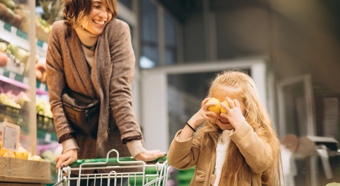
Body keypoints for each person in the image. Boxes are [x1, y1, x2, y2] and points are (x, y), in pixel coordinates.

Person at [46, 0, 164, 175]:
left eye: (109, 9)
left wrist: (137, 148)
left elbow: (120, 92)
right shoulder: (60, 32)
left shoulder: (117, 31)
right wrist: (69, 145)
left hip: (115, 150)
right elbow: (56, 98)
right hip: (80, 148)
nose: (105, 15)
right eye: (97, 6)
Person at [167, 71, 282, 186]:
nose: (223, 113)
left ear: (248, 107)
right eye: (218, 105)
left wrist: (240, 125)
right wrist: (192, 123)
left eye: (229, 107)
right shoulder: (207, 136)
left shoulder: (257, 134)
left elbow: (260, 163)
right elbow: (176, 160)